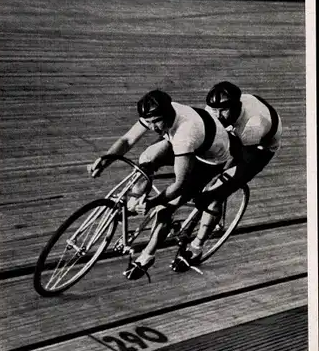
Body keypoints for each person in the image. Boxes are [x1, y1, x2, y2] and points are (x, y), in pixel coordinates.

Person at [88, 89, 236, 280]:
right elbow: (127, 140)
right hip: (191, 136)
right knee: (147, 158)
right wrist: (104, 160)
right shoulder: (157, 115)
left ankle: (147, 256)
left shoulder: (185, 134)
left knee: (165, 207)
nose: (152, 127)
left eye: (156, 121)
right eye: (148, 123)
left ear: (167, 114)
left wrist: (152, 203)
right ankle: (136, 199)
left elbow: (179, 184)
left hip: (209, 159)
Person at [201, 80, 282, 218]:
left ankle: (201, 236)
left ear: (236, 107)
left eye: (224, 110)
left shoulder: (253, 125)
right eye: (215, 110)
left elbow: (240, 161)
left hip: (260, 146)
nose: (218, 115)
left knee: (220, 190)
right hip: (244, 121)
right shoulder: (213, 108)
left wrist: (219, 181)